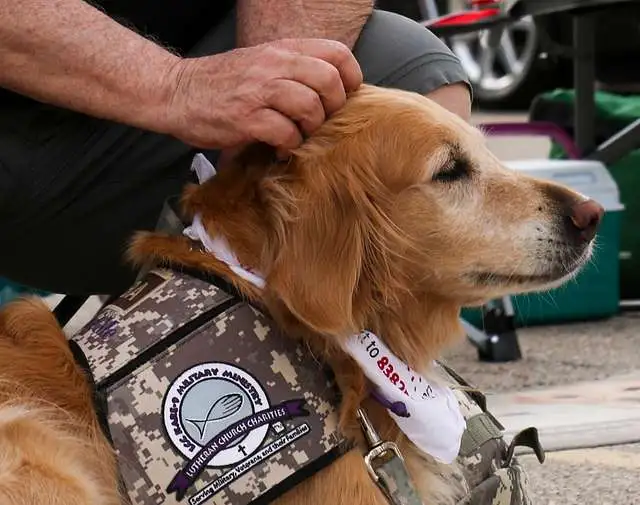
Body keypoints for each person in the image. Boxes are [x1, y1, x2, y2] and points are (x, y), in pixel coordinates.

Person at [0, 0, 471, 297]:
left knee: (399, 70)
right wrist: (174, 87)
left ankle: (330, 399)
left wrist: (267, 124)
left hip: (152, 124)